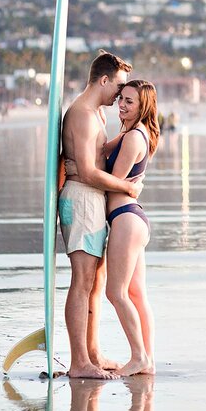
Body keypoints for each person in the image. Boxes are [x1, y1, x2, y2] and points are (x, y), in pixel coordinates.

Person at [59, 51, 141, 379]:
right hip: (81, 200)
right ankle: (79, 361)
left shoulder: (95, 114)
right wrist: (126, 186)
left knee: (96, 282)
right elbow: (90, 172)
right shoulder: (81, 114)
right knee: (82, 282)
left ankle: (92, 353)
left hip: (91, 201)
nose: (120, 95)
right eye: (118, 87)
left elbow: (96, 159)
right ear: (104, 80)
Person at [103, 79, 159, 376]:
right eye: (121, 99)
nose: (121, 105)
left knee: (117, 292)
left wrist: (77, 171)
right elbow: (101, 151)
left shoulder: (135, 138)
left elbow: (110, 179)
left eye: (129, 102)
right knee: (136, 294)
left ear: (143, 107)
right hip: (132, 219)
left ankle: (139, 357)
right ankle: (147, 359)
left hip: (126, 217)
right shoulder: (132, 134)